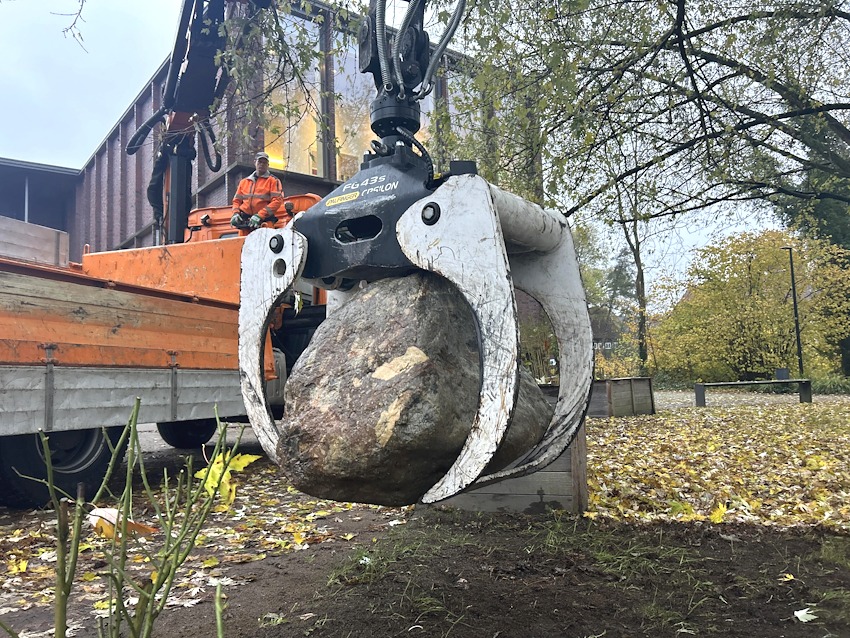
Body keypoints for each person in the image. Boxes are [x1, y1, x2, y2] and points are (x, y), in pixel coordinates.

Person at [230, 152, 286, 229]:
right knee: (243, 241)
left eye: (265, 162)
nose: (262, 164)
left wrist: (260, 215)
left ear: (268, 165)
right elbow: (236, 201)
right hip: (245, 221)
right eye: (260, 162)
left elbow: (277, 201)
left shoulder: (273, 181)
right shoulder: (244, 182)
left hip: (265, 222)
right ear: (255, 162)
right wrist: (235, 213)